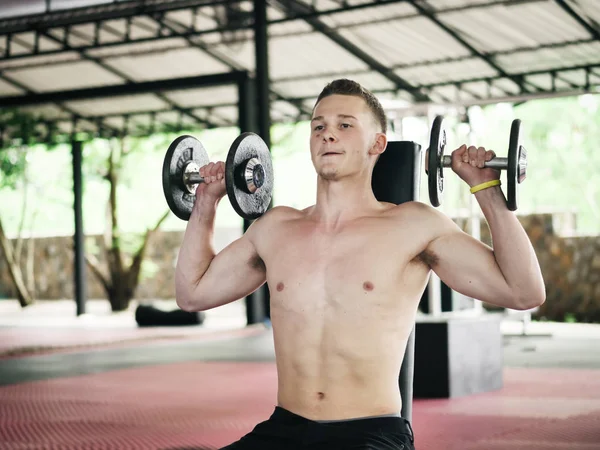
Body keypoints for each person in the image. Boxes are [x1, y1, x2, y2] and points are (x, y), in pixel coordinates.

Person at [174, 79, 546, 450]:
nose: (328, 135)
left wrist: (486, 188)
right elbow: (192, 294)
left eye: (345, 125)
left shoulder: (414, 225)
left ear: (377, 143)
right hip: (285, 429)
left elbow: (524, 291)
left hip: (370, 434)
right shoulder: (275, 228)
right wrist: (205, 201)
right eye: (318, 126)